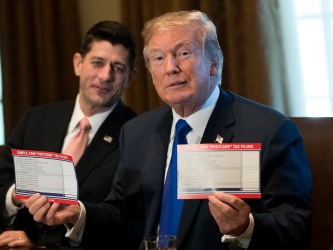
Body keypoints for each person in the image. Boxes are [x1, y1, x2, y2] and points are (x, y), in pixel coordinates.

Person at [23, 10, 312, 250]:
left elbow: (296, 225)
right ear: (150, 73)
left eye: (183, 53)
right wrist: (79, 215)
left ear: (214, 63)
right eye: (158, 58)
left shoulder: (269, 130)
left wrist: (246, 227)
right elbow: (120, 216)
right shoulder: (136, 132)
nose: (170, 68)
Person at [0, 20, 137, 248]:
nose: (105, 76)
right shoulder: (36, 119)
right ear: (78, 64)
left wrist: (41, 245)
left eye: (118, 68)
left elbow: (128, 224)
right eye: (97, 63)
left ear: (129, 78)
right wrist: (17, 195)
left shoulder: (136, 134)